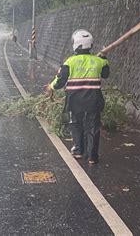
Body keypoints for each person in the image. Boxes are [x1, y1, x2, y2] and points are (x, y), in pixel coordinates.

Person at [46, 29, 109, 164]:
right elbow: (105, 74)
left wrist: (51, 86)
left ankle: (78, 151)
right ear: (90, 44)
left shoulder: (70, 62)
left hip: (75, 100)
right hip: (93, 99)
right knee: (93, 126)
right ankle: (92, 156)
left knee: (76, 124)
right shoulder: (98, 61)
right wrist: (103, 57)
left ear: (75, 44)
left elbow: (60, 80)